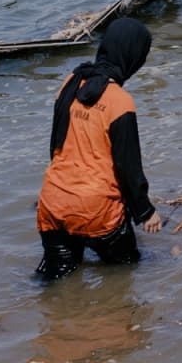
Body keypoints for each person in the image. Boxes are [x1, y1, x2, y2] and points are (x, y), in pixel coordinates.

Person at [34, 16, 163, 280]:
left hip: (52, 203)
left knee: (56, 284)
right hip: (98, 213)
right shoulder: (120, 102)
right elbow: (129, 167)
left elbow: (55, 145)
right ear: (134, 56)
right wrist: (145, 212)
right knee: (124, 277)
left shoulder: (69, 83)